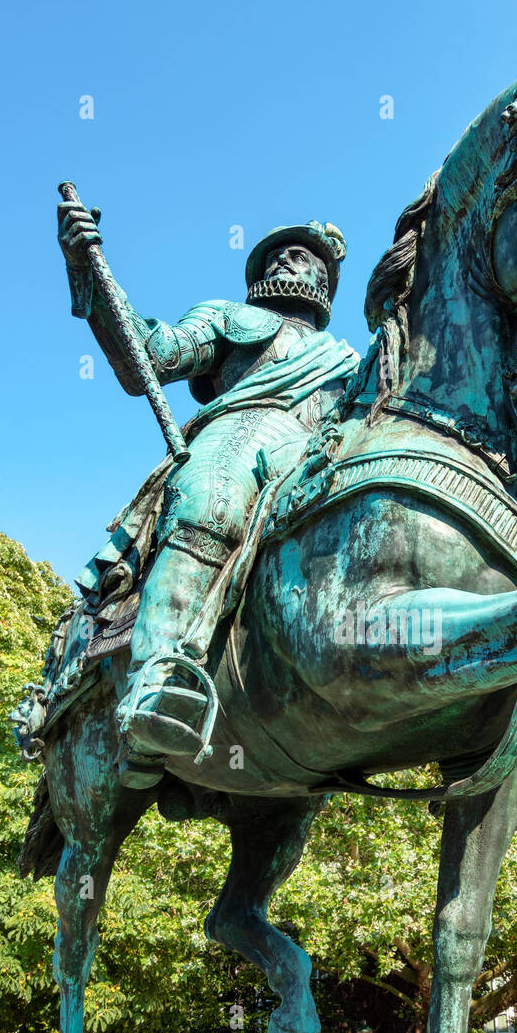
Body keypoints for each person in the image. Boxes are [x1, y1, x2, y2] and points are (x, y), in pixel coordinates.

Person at [58, 199, 358, 785]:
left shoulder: (351, 359)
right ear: (260, 275)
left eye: (310, 257)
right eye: (282, 253)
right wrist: (87, 271)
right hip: (240, 434)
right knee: (209, 500)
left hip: (321, 451)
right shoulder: (229, 317)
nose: (296, 260)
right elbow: (149, 356)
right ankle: (159, 678)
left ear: (326, 283)